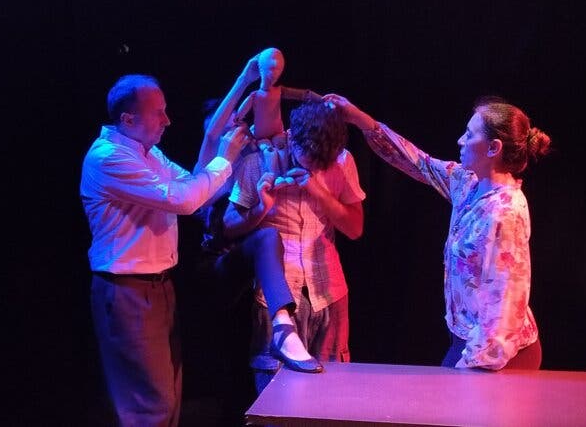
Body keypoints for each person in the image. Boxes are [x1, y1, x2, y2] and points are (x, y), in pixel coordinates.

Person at [326, 93, 551, 371]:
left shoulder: (506, 212)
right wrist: (361, 120)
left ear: (494, 148)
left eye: (469, 135)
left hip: (500, 353)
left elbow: (504, 303)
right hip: (468, 340)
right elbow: (418, 162)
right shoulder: (467, 183)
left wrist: (472, 366)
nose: (460, 140)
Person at [80, 74, 249, 427]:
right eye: (158, 112)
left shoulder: (149, 153)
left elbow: (198, 188)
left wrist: (226, 149)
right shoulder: (109, 157)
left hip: (158, 288)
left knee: (168, 400)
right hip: (127, 291)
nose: (168, 120)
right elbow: (183, 200)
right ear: (128, 119)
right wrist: (225, 158)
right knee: (150, 406)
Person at [223, 101, 366, 388]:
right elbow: (228, 226)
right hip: (278, 294)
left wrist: (317, 190)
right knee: (278, 391)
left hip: (329, 291)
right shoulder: (257, 161)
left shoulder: (342, 161)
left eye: (321, 163)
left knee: (331, 391)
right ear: (292, 138)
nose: (313, 166)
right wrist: (262, 208)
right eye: (306, 158)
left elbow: (354, 229)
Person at [234, 47, 324, 177]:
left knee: (282, 149)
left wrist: (323, 100)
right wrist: (250, 135)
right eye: (271, 69)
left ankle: (285, 175)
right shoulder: (255, 96)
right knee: (269, 153)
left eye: (279, 70)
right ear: (261, 69)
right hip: (261, 137)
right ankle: (274, 177)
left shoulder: (279, 91)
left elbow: (304, 94)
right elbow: (238, 119)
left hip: (278, 132)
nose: (275, 74)